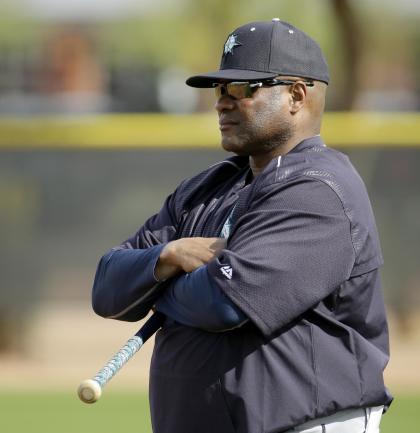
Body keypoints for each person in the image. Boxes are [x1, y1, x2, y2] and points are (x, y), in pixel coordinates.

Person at [92, 19, 392, 433]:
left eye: (241, 88)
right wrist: (167, 256)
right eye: (219, 89)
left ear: (296, 95)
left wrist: (155, 287)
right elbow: (107, 287)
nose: (221, 102)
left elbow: (224, 302)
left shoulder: (320, 190)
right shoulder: (206, 188)